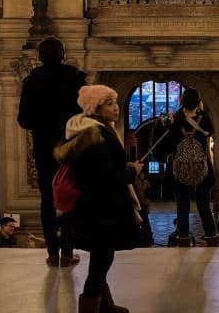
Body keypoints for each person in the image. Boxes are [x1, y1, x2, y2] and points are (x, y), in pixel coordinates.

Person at [53, 85, 143, 313]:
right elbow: (104, 177)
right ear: (95, 108)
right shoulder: (98, 137)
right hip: (101, 208)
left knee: (101, 258)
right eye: (109, 103)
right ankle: (91, 307)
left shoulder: (90, 130)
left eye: (115, 102)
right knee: (101, 261)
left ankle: (105, 306)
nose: (116, 108)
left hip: (95, 207)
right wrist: (132, 172)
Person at [17, 37, 87, 267]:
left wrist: (42, 122)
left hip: (44, 147)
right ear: (63, 54)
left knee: (47, 199)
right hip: (70, 148)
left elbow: (23, 120)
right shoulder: (76, 79)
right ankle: (67, 252)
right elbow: (85, 115)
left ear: (39, 57)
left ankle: (52, 253)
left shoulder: (31, 82)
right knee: (70, 197)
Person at [164, 88, 219, 247]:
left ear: (182, 101)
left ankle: (183, 240)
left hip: (180, 169)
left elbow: (167, 144)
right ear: (198, 102)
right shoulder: (205, 119)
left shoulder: (175, 119)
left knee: (182, 207)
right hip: (201, 169)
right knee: (204, 206)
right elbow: (210, 134)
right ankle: (211, 238)